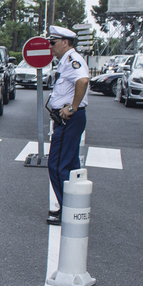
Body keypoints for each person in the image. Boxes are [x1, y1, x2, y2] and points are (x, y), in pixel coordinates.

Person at [46, 25, 89, 226]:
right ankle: (72, 207)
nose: (50, 47)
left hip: (69, 119)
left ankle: (67, 210)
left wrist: (72, 107)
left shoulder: (72, 61)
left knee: (57, 165)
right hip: (68, 119)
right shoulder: (65, 61)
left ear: (65, 42)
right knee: (71, 166)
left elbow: (83, 81)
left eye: (53, 43)